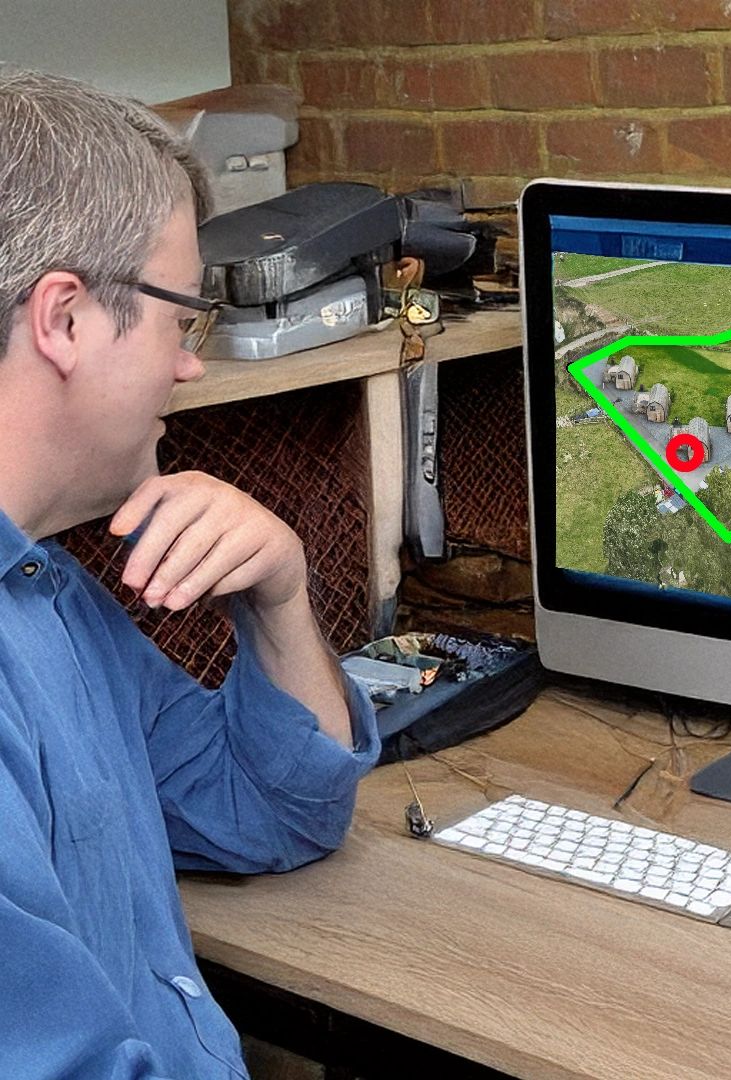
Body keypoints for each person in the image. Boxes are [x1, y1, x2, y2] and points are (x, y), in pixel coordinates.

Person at [0, 69, 380, 1078]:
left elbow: (273, 816)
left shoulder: (49, 597)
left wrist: (281, 597)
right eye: (180, 316)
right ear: (66, 320)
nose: (189, 364)